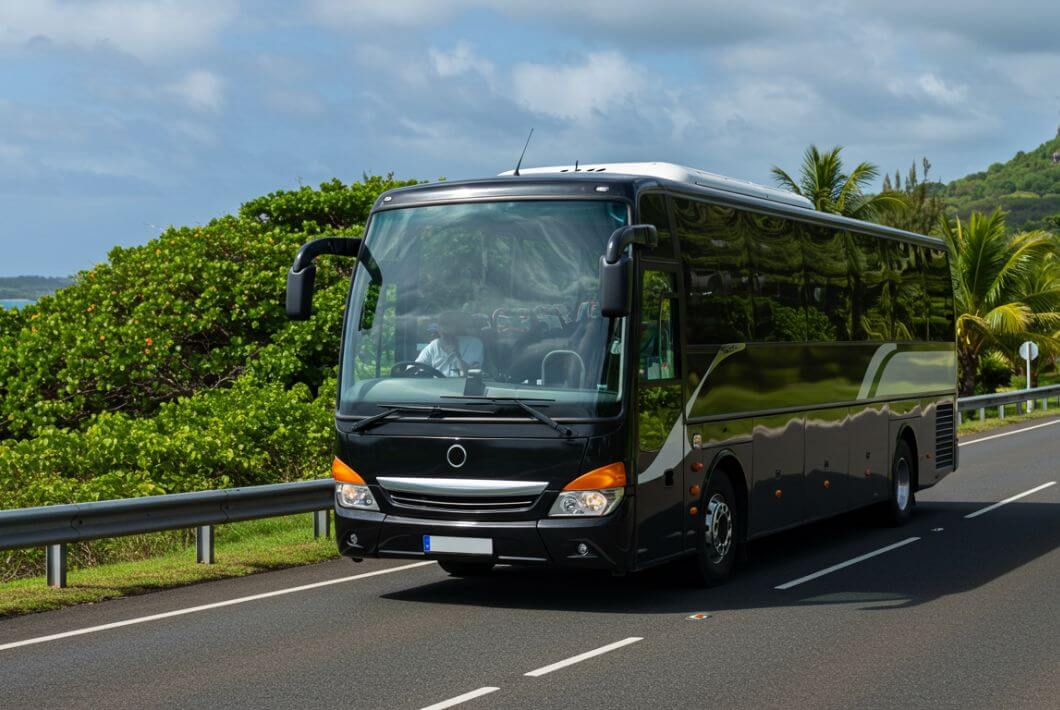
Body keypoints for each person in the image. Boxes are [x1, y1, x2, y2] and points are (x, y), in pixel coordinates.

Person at [415, 311, 484, 377]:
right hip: (434, 384)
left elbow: (467, 374)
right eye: (441, 324)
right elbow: (417, 367)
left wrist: (455, 355)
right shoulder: (434, 345)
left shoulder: (473, 343)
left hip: (462, 384)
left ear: (457, 326)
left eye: (448, 324)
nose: (444, 327)